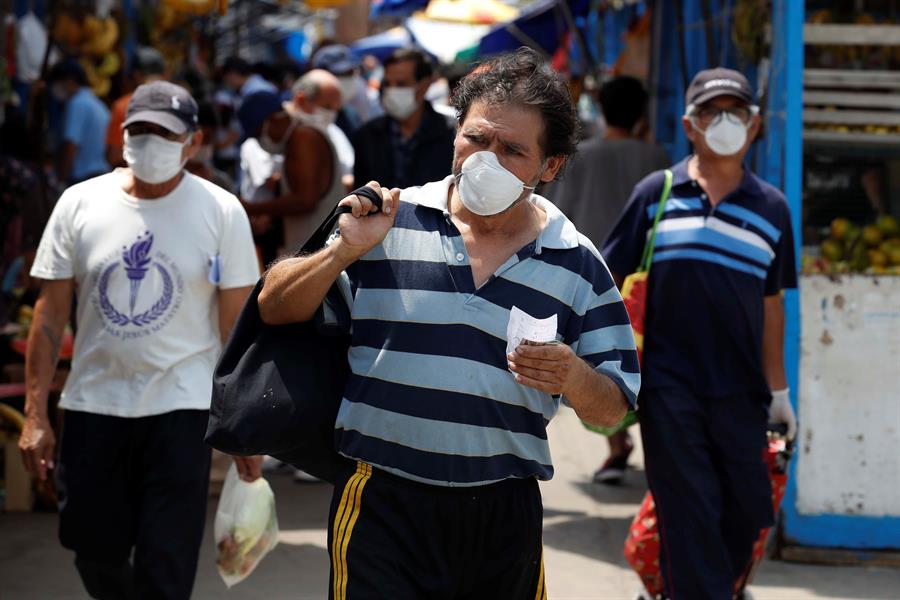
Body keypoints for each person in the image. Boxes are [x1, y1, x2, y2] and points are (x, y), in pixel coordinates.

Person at [257, 47, 639, 599]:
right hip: (381, 501)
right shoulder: (386, 220)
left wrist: (573, 376)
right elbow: (274, 305)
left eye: (512, 150)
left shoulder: (576, 261)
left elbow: (613, 406)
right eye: (477, 138)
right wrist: (340, 252)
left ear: (549, 167)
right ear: (455, 131)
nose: (487, 159)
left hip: (502, 515)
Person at [18, 81, 262, 600]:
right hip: (93, 406)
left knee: (165, 565)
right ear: (122, 136)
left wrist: (243, 422)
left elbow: (237, 325)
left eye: (165, 133)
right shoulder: (79, 203)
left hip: (182, 411)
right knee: (93, 552)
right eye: (140, 130)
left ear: (192, 142)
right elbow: (49, 313)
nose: (150, 142)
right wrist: (36, 413)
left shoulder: (221, 211)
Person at [603, 68, 798, 599]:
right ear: (690, 125)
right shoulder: (657, 193)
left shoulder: (773, 210)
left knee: (747, 509)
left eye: (737, 111)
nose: (726, 122)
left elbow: (772, 303)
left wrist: (779, 391)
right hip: (669, 388)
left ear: (755, 125)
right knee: (689, 510)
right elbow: (607, 276)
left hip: (742, 392)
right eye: (713, 112)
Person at [543, 76, 669, 485]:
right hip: (645, 285)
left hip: (592, 279)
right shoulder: (656, 156)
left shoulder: (580, 157)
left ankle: (616, 447)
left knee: (594, 364)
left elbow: (557, 212)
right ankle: (649, 451)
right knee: (645, 366)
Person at [237, 85, 345, 254]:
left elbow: (306, 200)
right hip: (313, 252)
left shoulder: (303, 138)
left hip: (320, 254)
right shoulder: (299, 137)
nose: (260, 141)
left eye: (259, 133)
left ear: (272, 120)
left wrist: (251, 208)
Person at [352, 48, 456, 190]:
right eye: (388, 84)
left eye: (401, 84)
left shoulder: (452, 134)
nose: (391, 91)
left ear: (424, 85)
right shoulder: (367, 135)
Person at [284, 68, 355, 191]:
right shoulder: (275, 131)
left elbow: (349, 178)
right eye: (327, 107)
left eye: (336, 109)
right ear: (301, 100)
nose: (331, 114)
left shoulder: (334, 132)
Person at [47, 60, 110, 185]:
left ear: (70, 82)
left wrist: (61, 180)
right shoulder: (97, 103)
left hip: (84, 178)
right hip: (102, 175)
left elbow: (71, 144)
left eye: (57, 83)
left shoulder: (77, 104)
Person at [105, 47, 168, 167]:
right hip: (168, 180)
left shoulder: (123, 105)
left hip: (132, 178)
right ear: (164, 75)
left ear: (136, 75)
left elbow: (113, 156)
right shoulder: (175, 103)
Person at [312, 44, 382, 136]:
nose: (347, 80)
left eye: (350, 73)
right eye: (340, 74)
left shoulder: (351, 116)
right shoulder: (308, 117)